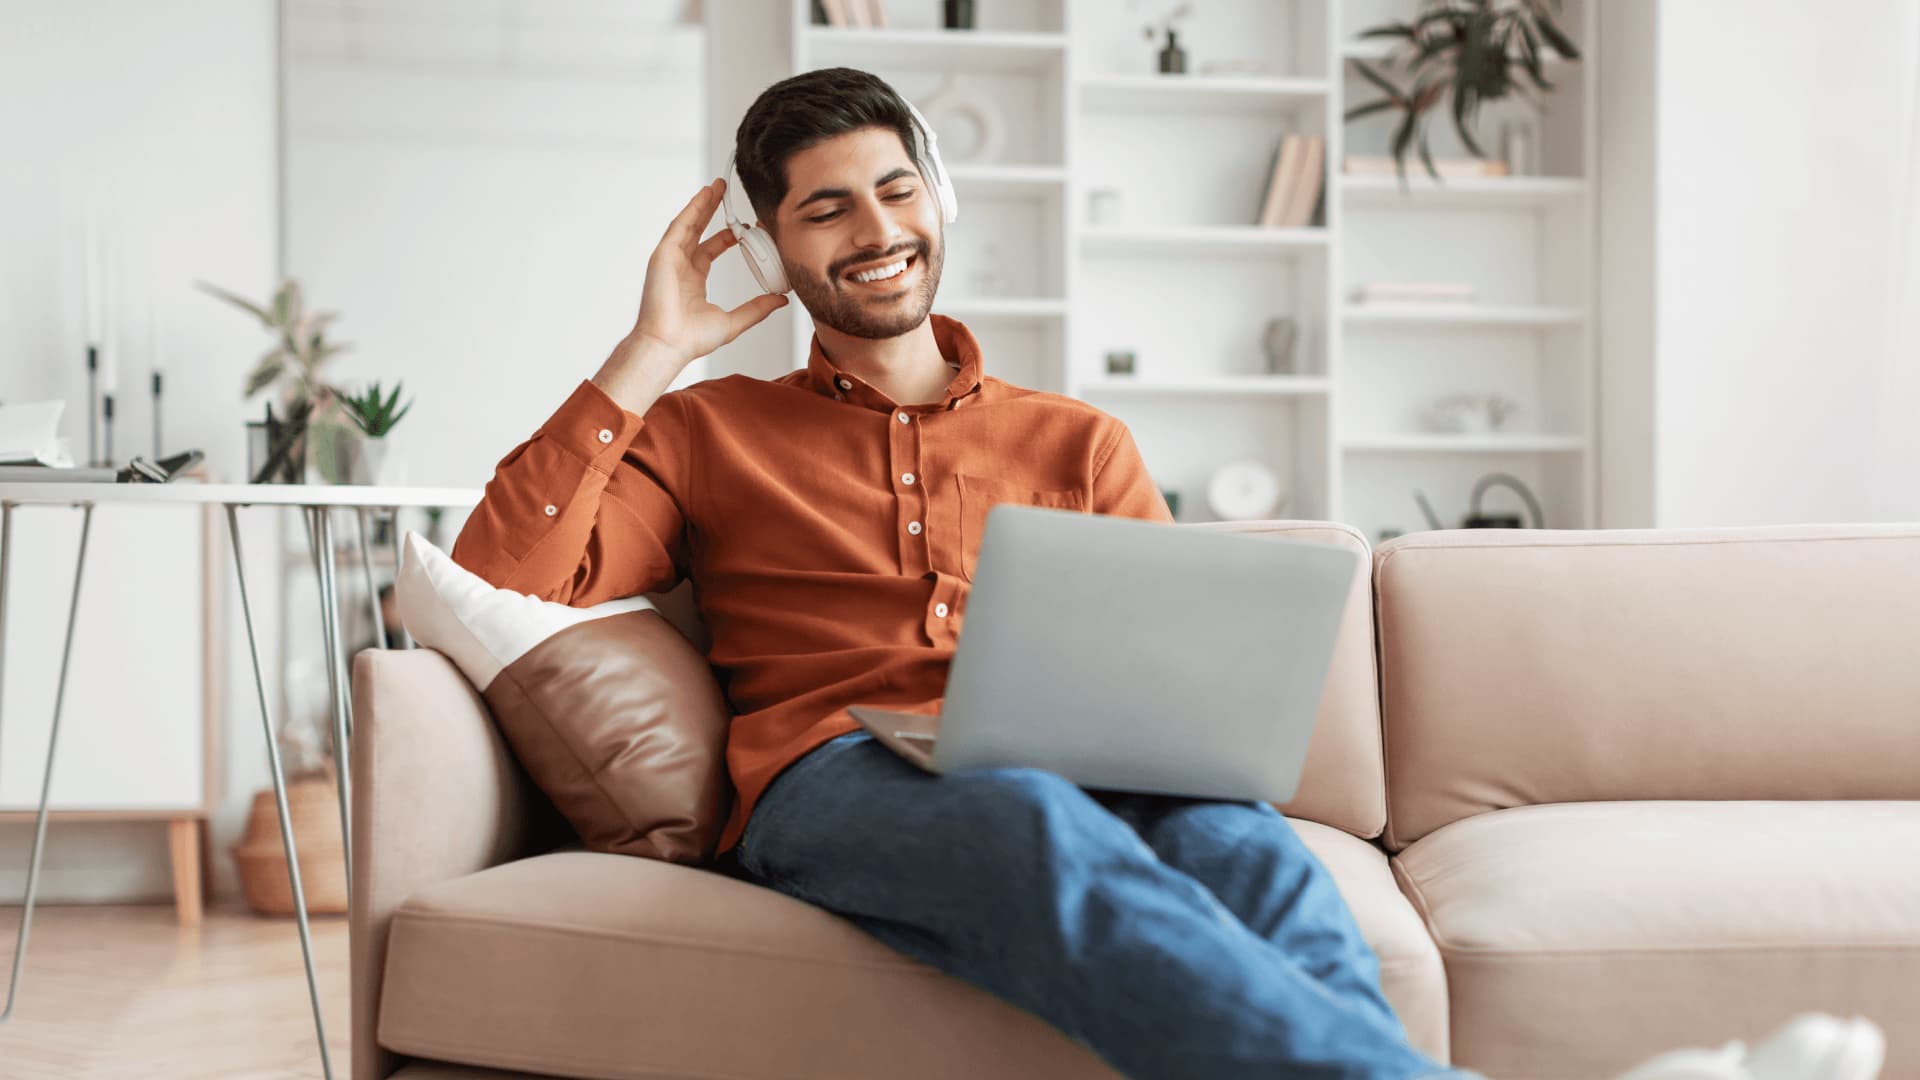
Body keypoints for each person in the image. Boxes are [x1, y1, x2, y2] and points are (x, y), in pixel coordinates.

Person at [450, 68, 1884, 1080]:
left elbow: (1157, 663)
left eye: (895, 189)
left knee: (1253, 857)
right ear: (774, 241)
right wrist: (649, 353)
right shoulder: (705, 431)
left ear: (938, 204)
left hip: (1087, 757)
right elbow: (505, 567)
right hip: (836, 775)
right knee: (1032, 828)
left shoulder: (1078, 439)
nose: (877, 229)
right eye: (826, 209)